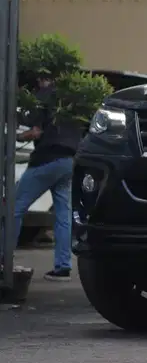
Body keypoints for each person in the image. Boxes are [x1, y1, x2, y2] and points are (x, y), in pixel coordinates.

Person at [14, 75, 82, 280]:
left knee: (14, 208)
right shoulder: (72, 101)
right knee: (62, 215)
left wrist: (14, 137)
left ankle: (2, 256)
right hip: (69, 161)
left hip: (46, 160)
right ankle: (63, 267)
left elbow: (35, 132)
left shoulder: (43, 97)